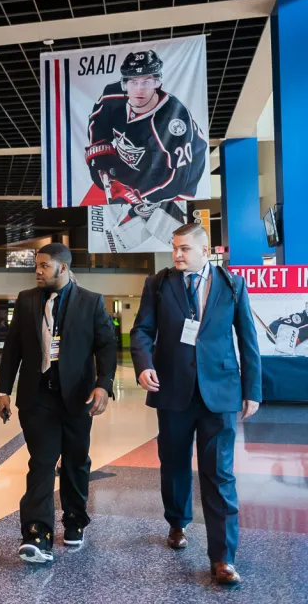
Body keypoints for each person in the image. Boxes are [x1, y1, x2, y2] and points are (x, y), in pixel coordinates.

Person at [130, 223, 261, 586]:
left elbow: (247, 338)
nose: (177, 255)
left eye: (185, 249)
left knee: (220, 474)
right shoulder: (159, 284)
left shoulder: (232, 285)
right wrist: (144, 365)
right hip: (172, 389)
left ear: (205, 250)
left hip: (219, 391)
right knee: (173, 464)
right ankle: (177, 521)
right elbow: (141, 331)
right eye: (175, 248)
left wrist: (253, 390)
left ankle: (223, 558)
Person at [0, 243, 117, 564]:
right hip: (38, 399)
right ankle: (37, 534)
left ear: (63, 269)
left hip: (78, 399)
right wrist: (3, 390)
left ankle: (75, 520)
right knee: (42, 462)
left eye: (44, 266)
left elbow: (107, 346)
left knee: (76, 463)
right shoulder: (26, 301)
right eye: (36, 266)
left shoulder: (91, 303)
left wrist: (103, 385)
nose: (38, 271)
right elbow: (12, 350)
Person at [82, 49, 208, 208]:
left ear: (157, 82)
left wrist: (137, 196)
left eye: (146, 81)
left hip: (182, 176)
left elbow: (178, 179)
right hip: (138, 162)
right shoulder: (111, 96)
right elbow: (97, 124)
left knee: (163, 219)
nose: (139, 89)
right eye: (133, 82)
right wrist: (100, 161)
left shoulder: (174, 119)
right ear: (124, 83)